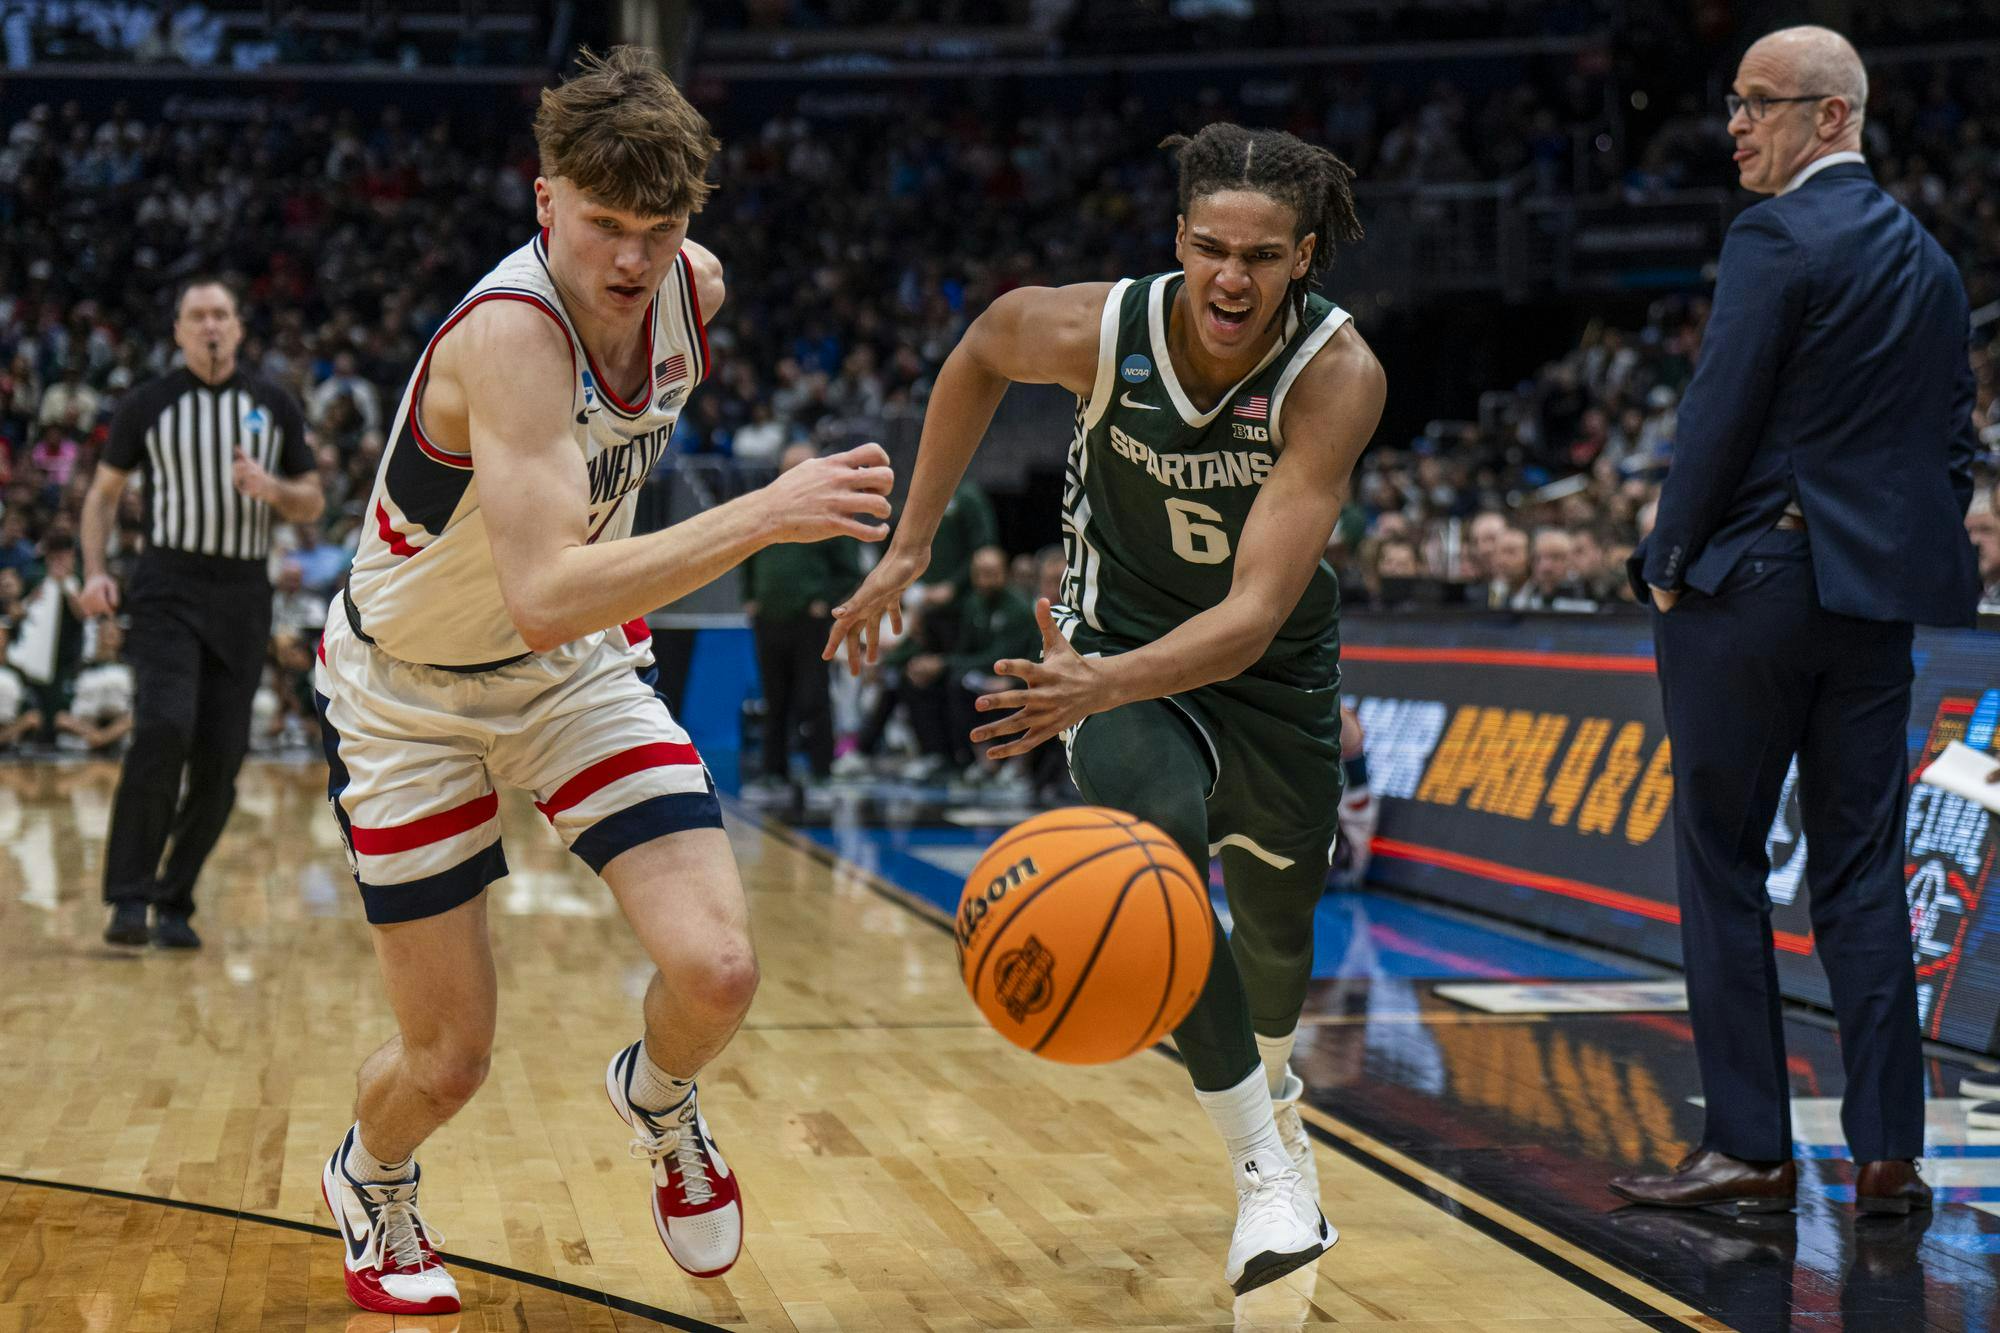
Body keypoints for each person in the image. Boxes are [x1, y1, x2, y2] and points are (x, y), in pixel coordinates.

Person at [311, 48, 892, 1318]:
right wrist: (767, 510)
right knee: (449, 1061)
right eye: (602, 224)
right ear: (544, 201)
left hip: (568, 673)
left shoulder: (695, 289)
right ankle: (373, 1173)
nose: (631, 259)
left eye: (658, 228)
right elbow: (546, 586)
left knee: (718, 970)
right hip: (409, 693)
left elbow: (557, 616)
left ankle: (659, 1098)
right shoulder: (510, 337)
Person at [827, 122, 1385, 1295]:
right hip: (1109, 643)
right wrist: (912, 542)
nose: (1230, 278)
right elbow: (979, 349)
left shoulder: (1335, 375)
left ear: (1302, 258)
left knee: (1278, 929)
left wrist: (1103, 685)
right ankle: (1263, 1172)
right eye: (1210, 247)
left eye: (1261, 256)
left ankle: (1274, 1100)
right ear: (1176, 238)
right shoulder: (1096, 329)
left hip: (1268, 672)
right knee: (1157, 843)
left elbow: (1251, 615)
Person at [1613, 26, 1980, 1218]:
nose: (1733, 126)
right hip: (1871, 609)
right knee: (1860, 870)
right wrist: (1891, 559)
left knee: (1720, 862)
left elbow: (1715, 414)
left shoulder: (1771, 236)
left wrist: (1666, 563)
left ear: (1830, 116)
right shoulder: (1931, 264)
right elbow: (1953, 448)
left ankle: (1749, 1147)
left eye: (1757, 103)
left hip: (1752, 593)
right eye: (1732, 102)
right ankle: (1886, 1155)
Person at [80, 275, 321, 950]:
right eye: (198, 316)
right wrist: (95, 570)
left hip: (244, 592)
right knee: (162, 727)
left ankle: (174, 898)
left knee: (221, 761)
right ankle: (129, 896)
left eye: (221, 314)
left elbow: (311, 498)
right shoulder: (148, 404)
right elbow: (102, 496)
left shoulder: (273, 403)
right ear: (179, 331)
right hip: (167, 584)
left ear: (238, 328)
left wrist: (271, 489)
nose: (210, 325)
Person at [741, 442, 860, 794]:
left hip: (810, 623)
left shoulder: (832, 512)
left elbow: (849, 570)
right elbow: (746, 554)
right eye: (788, 468)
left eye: (801, 467)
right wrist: (749, 597)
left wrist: (824, 601)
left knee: (813, 697)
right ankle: (773, 771)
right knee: (774, 699)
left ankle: (822, 770)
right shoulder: (765, 508)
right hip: (768, 620)